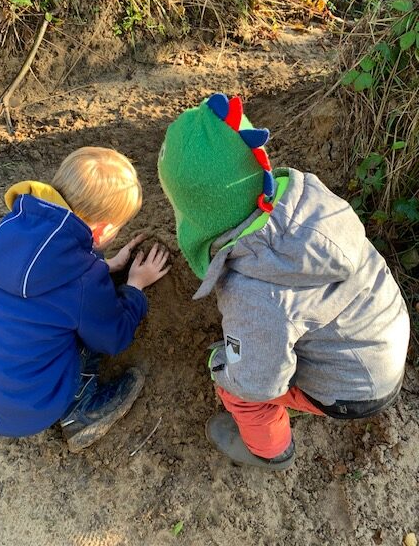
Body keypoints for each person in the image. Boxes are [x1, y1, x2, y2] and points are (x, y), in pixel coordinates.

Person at [158, 93, 410, 471]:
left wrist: (224, 364)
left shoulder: (254, 295)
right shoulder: (306, 196)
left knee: (236, 389)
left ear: (199, 212)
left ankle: (269, 450)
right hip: (382, 337)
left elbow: (257, 382)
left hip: (354, 390)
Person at [0, 146, 170, 452]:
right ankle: (80, 411)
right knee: (85, 331)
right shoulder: (84, 281)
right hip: (24, 412)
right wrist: (134, 287)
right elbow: (113, 337)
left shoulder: (9, 229)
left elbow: (48, 278)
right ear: (102, 231)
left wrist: (100, 266)